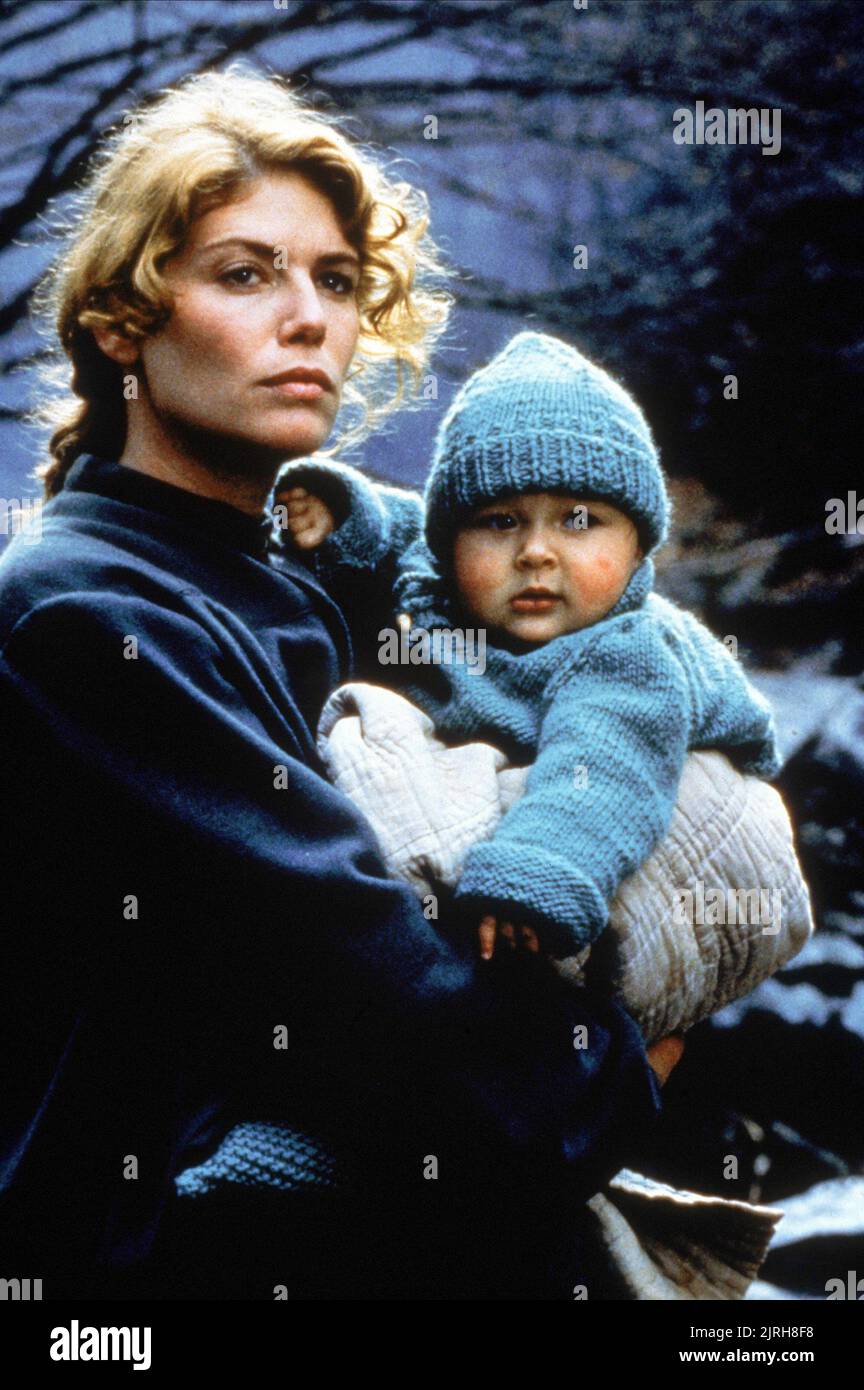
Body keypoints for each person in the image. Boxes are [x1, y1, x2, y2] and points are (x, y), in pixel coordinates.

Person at [0, 67, 680, 1302]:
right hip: (155, 1264)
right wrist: (635, 1062)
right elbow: (367, 970)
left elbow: (610, 653)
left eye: (336, 278)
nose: (308, 315)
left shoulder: (308, 570)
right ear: (121, 321)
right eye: (245, 273)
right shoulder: (87, 608)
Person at [273, 330, 782, 964]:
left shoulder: (628, 653)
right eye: (500, 521)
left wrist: (535, 870)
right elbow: (404, 528)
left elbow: (605, 767)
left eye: (579, 521)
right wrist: (339, 513)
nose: (536, 552)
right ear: (452, 541)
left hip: (633, 809)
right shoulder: (442, 582)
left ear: (637, 545)